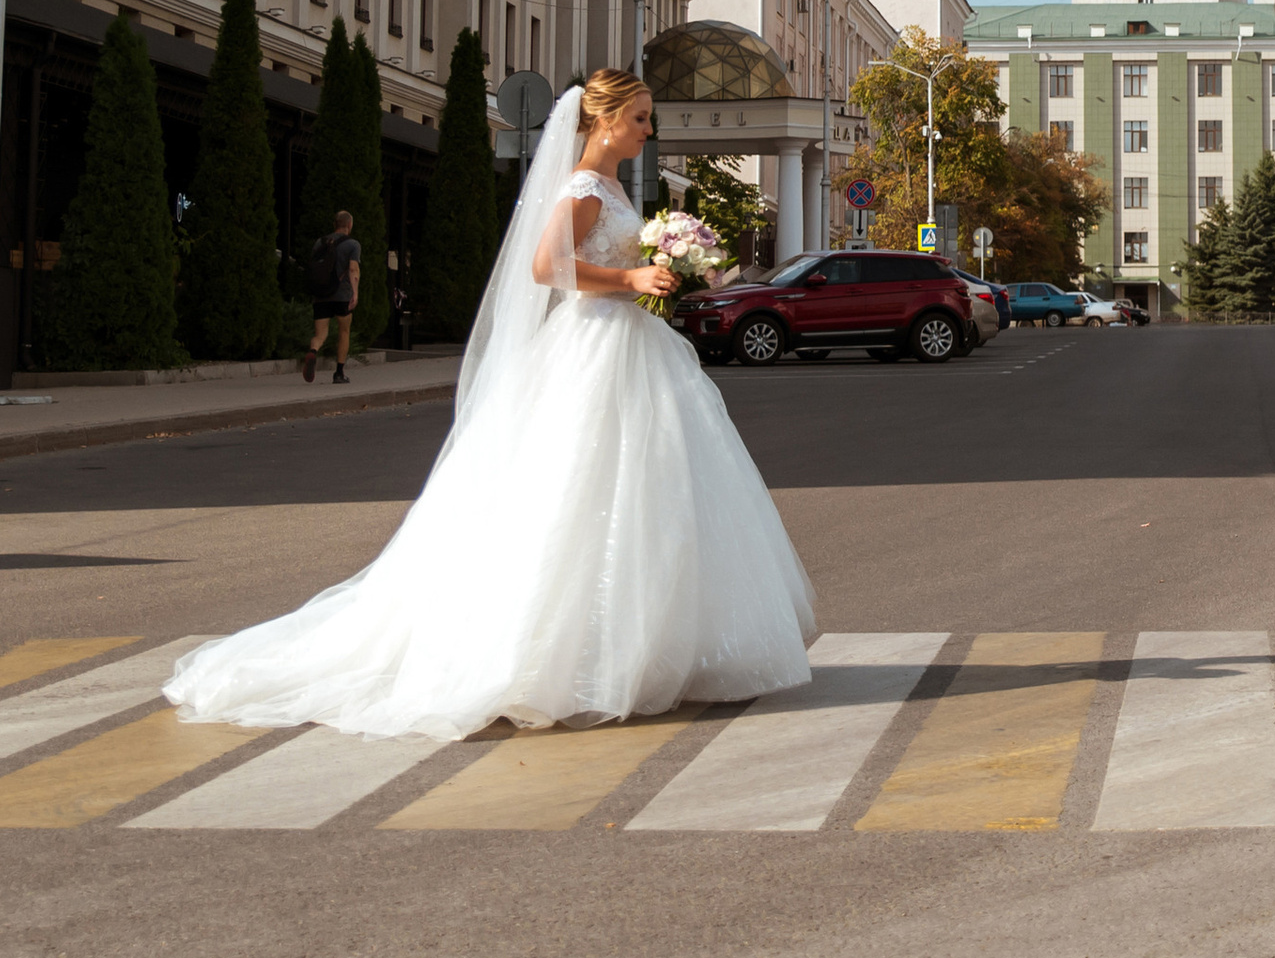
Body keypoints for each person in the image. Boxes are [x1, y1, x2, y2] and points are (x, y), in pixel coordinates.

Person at [167, 69, 815, 739]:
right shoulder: (585, 188)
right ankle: (557, 657)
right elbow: (546, 267)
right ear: (603, 120)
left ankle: (645, 649)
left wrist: (660, 272)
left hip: (630, 343)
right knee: (578, 492)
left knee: (647, 494)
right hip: (594, 348)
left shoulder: (615, 185)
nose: (649, 131)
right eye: (641, 118)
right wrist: (629, 275)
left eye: (650, 118)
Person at [299, 209, 360, 385]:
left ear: (335, 225)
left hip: (321, 294)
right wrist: (355, 293)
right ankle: (339, 373)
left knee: (320, 334)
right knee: (344, 331)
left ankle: (313, 350)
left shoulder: (320, 242)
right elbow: (354, 270)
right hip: (342, 296)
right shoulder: (353, 245)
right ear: (349, 225)